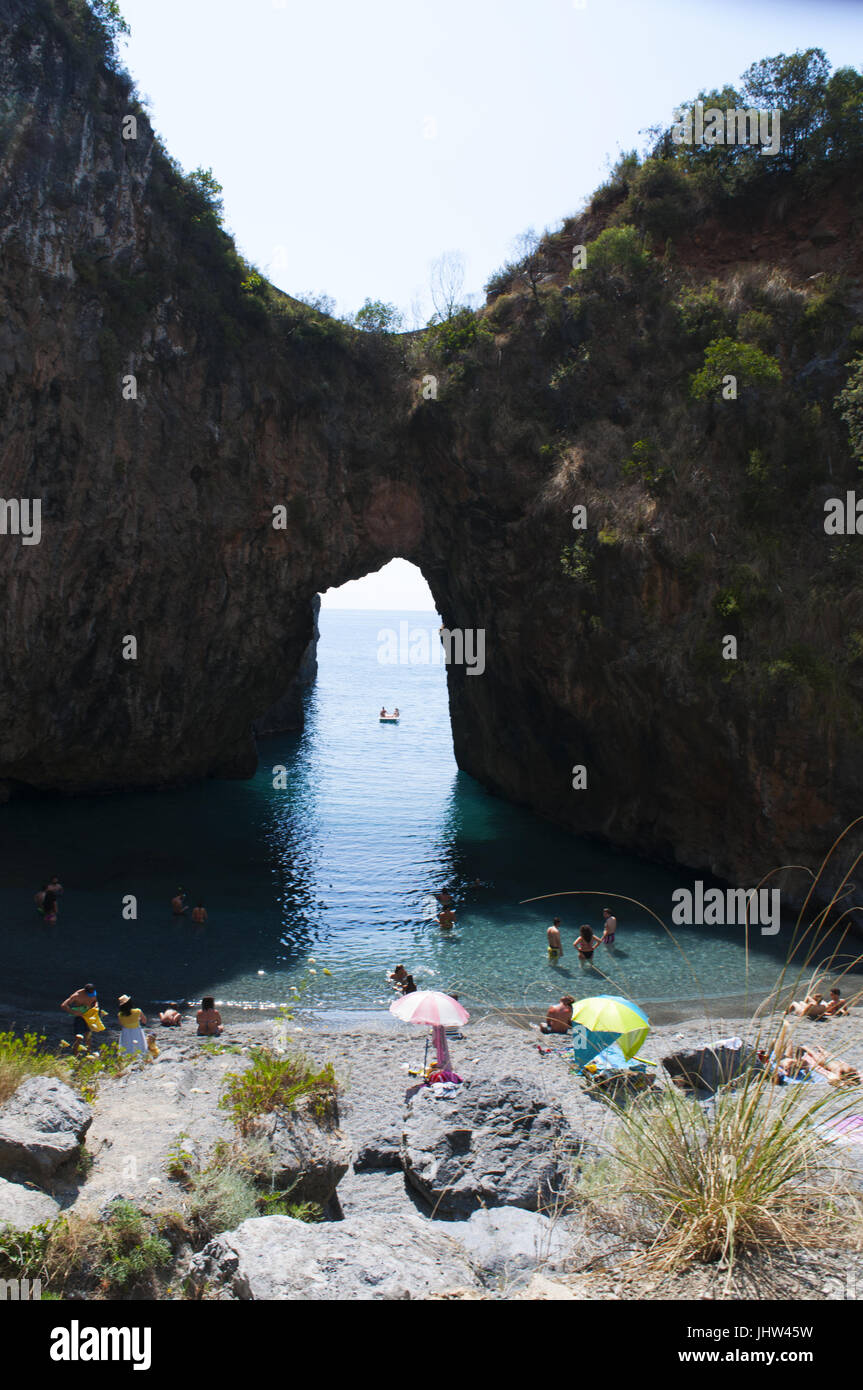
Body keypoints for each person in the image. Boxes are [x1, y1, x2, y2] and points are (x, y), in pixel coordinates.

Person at [61, 983, 99, 1056]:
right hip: (80, 1017)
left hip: (88, 1016)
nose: (92, 994)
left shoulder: (93, 993)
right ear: (85, 991)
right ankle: (75, 1054)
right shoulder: (76, 996)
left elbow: (95, 1001)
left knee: (88, 1036)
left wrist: (96, 1005)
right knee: (79, 1037)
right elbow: (64, 1005)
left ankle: (88, 1053)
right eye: (90, 993)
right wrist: (73, 1012)